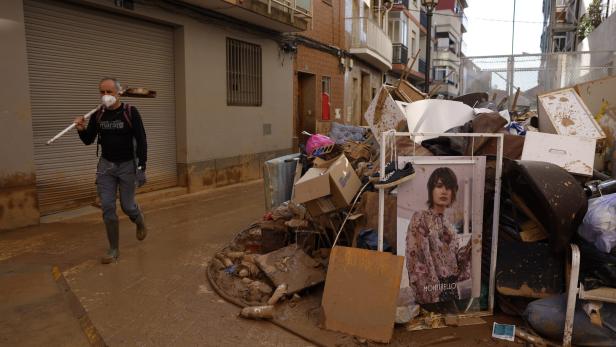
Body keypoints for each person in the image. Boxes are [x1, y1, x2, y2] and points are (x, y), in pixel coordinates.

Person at [75, 78, 148, 264]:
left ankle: (138, 219)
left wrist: (141, 167)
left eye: (109, 92)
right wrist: (81, 129)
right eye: (102, 92)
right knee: (107, 206)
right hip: (106, 166)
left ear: (118, 92)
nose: (106, 96)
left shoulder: (130, 112)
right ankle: (113, 249)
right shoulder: (98, 114)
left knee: (127, 206)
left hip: (127, 166)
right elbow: (88, 140)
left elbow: (142, 140)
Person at [405, 167, 472, 304]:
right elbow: (417, 259)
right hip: (432, 291)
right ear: (431, 190)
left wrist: (471, 247)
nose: (444, 191)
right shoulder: (421, 217)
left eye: (449, 187)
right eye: (439, 186)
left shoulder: (449, 226)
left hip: (452, 290)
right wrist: (433, 294)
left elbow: (454, 260)